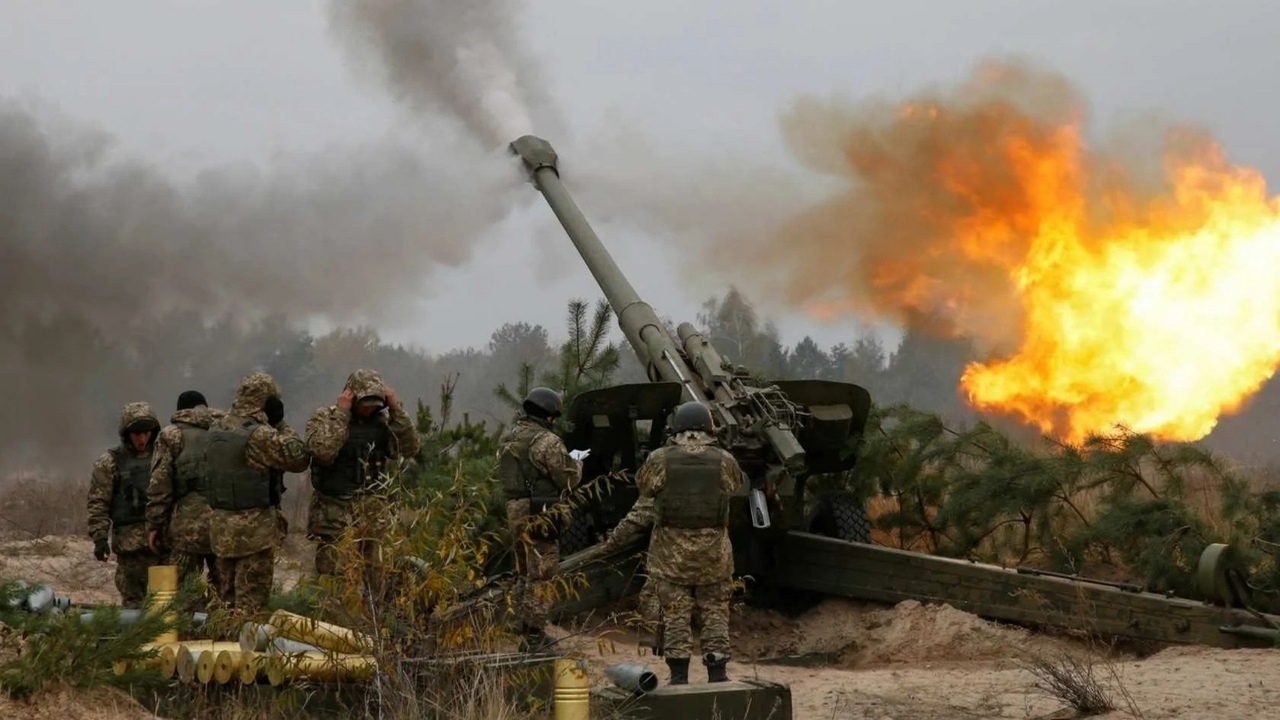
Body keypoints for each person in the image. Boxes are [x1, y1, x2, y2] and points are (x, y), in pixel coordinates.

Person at [596, 401, 743, 684]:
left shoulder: (660, 458)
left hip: (670, 556)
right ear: (709, 427)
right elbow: (734, 487)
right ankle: (717, 674)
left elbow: (644, 488)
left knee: (676, 615)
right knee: (715, 612)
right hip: (714, 556)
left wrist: (611, 543)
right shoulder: (725, 460)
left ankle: (678, 676)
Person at [205, 371, 310, 617]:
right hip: (253, 533)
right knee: (251, 607)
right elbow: (299, 458)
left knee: (224, 602)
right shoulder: (259, 434)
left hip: (221, 531)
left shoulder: (217, 428)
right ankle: (243, 641)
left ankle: (222, 639)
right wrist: (280, 423)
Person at [304, 369, 421, 578]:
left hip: (372, 511)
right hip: (333, 510)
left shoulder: (383, 423)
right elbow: (322, 451)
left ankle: (373, 601)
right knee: (333, 574)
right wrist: (342, 414)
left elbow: (410, 448)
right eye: (365, 404)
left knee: (374, 573)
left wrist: (396, 410)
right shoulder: (326, 417)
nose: (369, 410)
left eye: (374, 405)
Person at [496, 387, 584, 651]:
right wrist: (578, 462)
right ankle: (535, 635)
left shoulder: (508, 438)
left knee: (523, 570)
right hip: (540, 511)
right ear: (548, 415)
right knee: (542, 572)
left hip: (515, 510)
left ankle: (521, 624)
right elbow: (568, 478)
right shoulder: (546, 441)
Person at [145, 390, 224, 602]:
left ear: (180, 410)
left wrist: (155, 524)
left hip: (187, 527)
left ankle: (187, 622)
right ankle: (220, 622)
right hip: (225, 524)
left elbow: (160, 484)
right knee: (225, 591)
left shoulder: (172, 435)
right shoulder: (225, 430)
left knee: (181, 593)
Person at [86, 401, 164, 607]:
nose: (142, 439)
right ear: (127, 434)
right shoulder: (110, 462)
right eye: (137, 434)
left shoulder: (164, 457)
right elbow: (98, 502)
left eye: (146, 433)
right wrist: (100, 537)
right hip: (130, 548)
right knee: (134, 605)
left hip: (162, 543)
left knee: (166, 604)